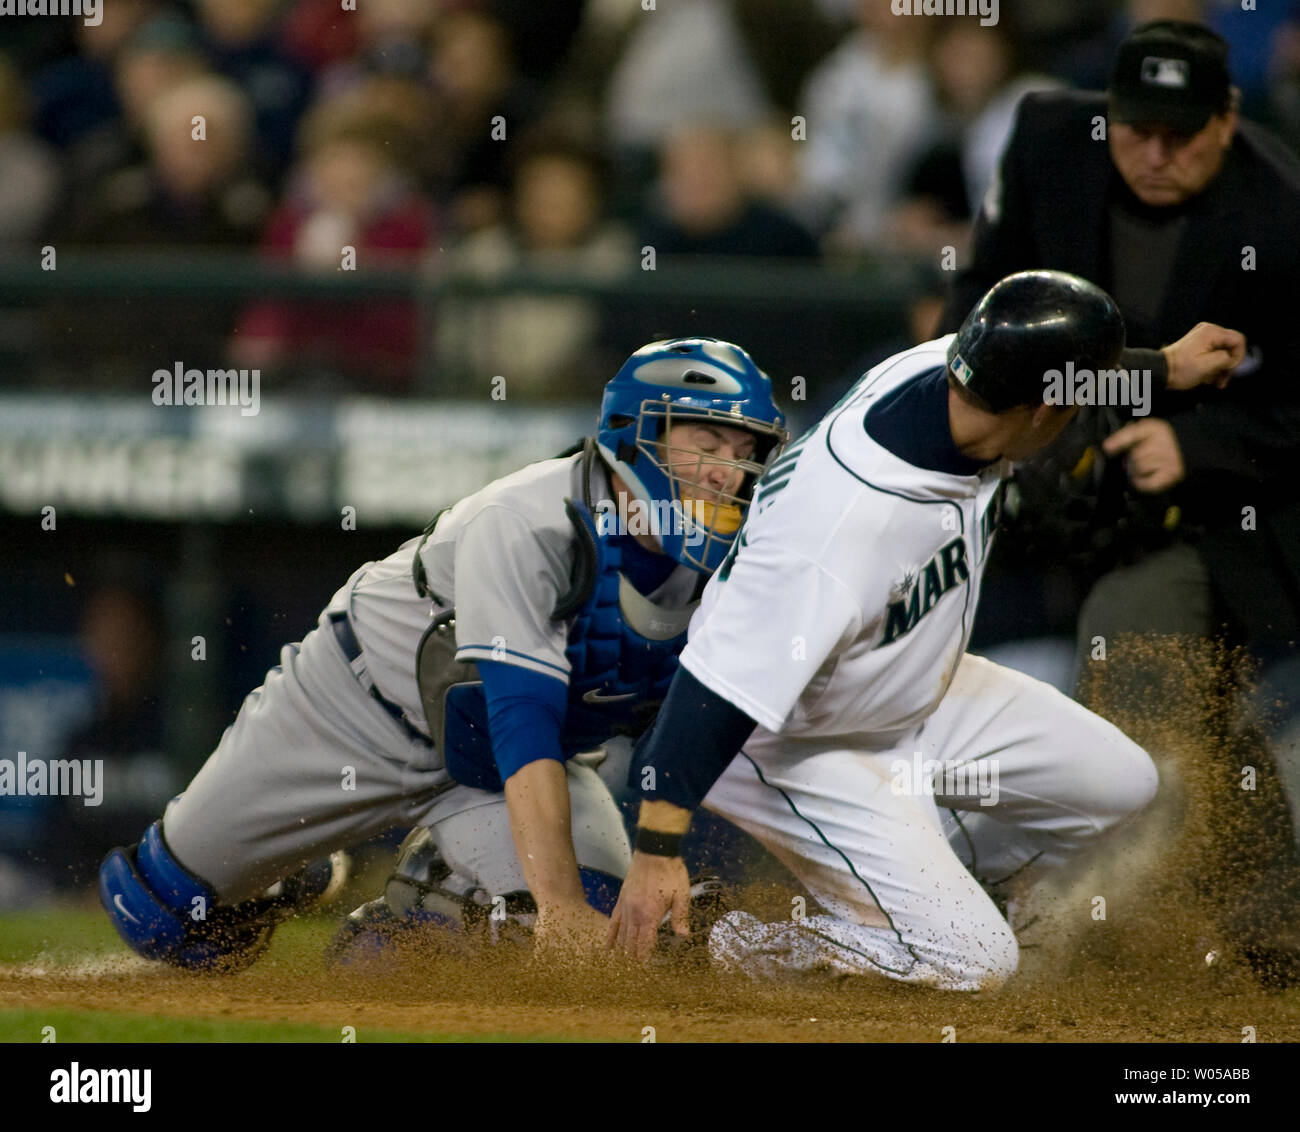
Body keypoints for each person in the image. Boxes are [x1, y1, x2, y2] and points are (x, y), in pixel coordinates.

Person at [605, 272, 1245, 987]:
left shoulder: (951, 372)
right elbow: (708, 692)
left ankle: (943, 897)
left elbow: (1054, 377)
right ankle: (725, 943)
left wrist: (1165, 368)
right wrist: (657, 852)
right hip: (795, 741)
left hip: (906, 688)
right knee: (975, 965)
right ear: (1042, 409)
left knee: (1122, 787)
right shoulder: (840, 531)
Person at [98, 338, 787, 969]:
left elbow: (700, 731)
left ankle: (421, 904)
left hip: (488, 769)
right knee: (160, 916)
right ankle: (290, 878)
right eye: (706, 442)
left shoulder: (740, 563)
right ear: (636, 436)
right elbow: (522, 718)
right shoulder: (530, 522)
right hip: (351, 713)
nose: (726, 472)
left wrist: (635, 871)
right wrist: (558, 906)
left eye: (742, 449)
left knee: (609, 937)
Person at [940, 19, 1300, 984]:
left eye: (1180, 133)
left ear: (1227, 121)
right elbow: (980, 305)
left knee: (1140, 663)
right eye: (1135, 127)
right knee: (1177, 703)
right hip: (1037, 476)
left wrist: (1196, 442)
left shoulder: (1284, 214)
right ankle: (1260, 929)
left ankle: (1136, 935)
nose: (1152, 151)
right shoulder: (1053, 141)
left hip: (1221, 513)